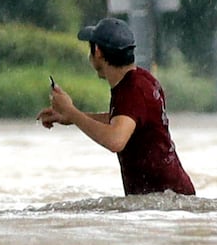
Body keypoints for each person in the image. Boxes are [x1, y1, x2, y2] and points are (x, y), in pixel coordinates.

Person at [37, 17, 196, 196]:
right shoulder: (141, 80)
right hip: (170, 198)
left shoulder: (133, 90)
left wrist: (73, 113)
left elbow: (116, 140)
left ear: (97, 52)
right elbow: (124, 121)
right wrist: (71, 117)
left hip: (168, 202)